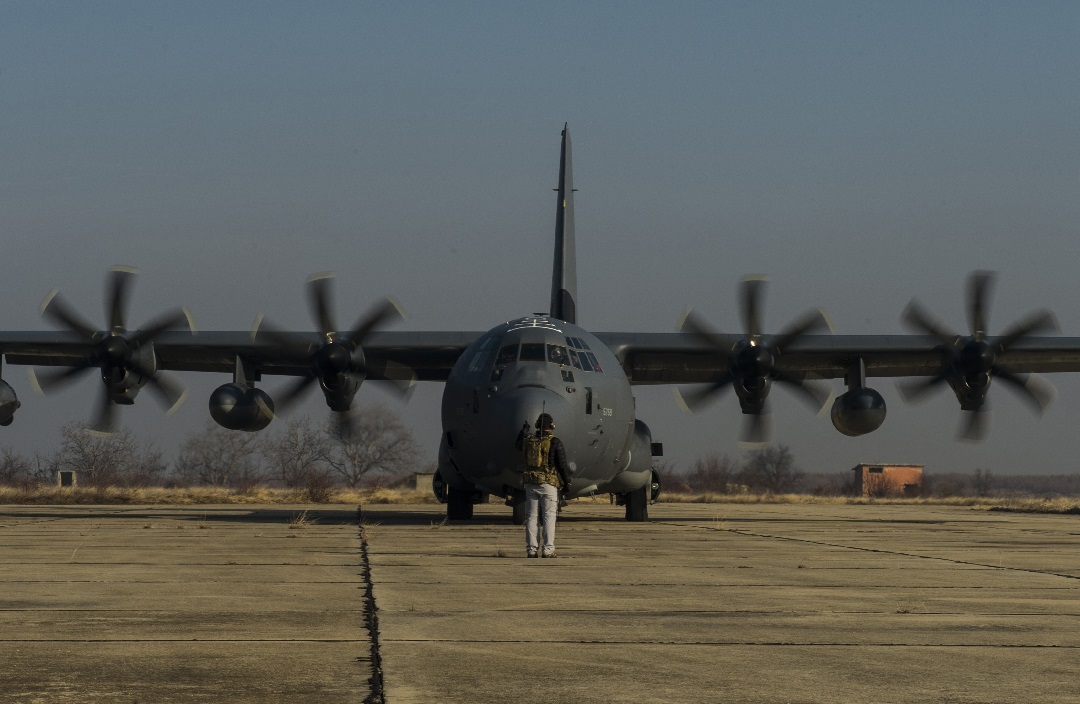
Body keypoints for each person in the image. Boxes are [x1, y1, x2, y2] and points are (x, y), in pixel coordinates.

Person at [516, 413, 570, 558]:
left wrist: (523, 432)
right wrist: (567, 482)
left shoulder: (528, 440)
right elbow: (562, 465)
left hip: (531, 484)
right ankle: (548, 549)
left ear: (536, 425)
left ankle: (531, 550)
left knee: (531, 517)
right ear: (552, 425)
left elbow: (517, 445)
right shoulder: (555, 442)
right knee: (549, 517)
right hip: (549, 484)